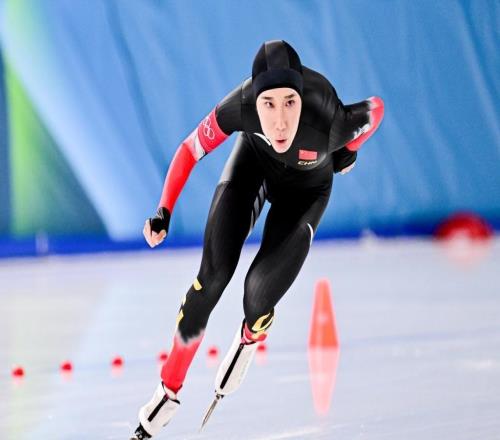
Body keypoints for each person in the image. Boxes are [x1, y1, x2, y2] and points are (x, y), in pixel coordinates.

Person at [130, 40, 384, 439]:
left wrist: (348, 150)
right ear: (254, 99)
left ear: (302, 96)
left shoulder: (327, 114)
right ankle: (168, 390)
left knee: (258, 294)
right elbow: (190, 149)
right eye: (269, 104)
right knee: (211, 279)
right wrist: (164, 209)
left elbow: (375, 111)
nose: (280, 121)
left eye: (290, 103)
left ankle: (251, 334)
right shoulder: (239, 105)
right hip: (253, 167)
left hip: (306, 191)